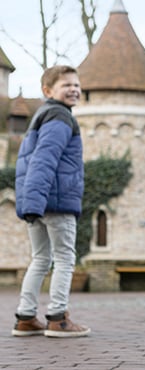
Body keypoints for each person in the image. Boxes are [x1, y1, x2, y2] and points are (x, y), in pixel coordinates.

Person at [11, 65, 90, 338]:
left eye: (77, 85)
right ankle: (58, 318)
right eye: (66, 85)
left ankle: (26, 317)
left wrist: (31, 203)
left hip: (38, 199)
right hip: (54, 201)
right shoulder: (59, 116)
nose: (74, 89)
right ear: (48, 91)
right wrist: (35, 202)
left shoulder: (41, 116)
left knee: (41, 259)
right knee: (64, 258)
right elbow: (44, 159)